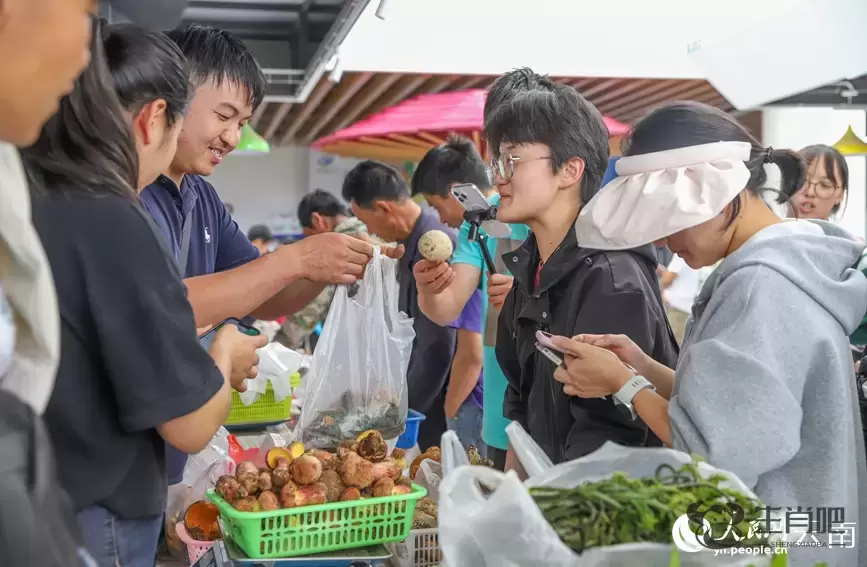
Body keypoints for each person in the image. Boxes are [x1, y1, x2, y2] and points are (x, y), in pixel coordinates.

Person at [556, 101, 867, 566]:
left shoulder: (761, 287)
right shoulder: (793, 263)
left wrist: (625, 384)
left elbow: (714, 452)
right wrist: (643, 367)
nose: (663, 240)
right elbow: (748, 406)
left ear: (719, 194)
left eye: (671, 218)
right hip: (815, 525)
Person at [21, 22, 266, 567]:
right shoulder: (114, 222)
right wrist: (225, 353)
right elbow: (189, 423)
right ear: (154, 118)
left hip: (47, 491)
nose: (227, 135)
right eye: (217, 117)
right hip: (101, 509)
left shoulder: (40, 200)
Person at [139, 24, 401, 484]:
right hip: (127, 446)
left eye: (242, 123)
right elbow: (160, 303)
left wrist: (330, 264)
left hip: (172, 439)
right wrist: (296, 259)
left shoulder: (201, 197)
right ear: (169, 98)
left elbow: (263, 294)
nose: (232, 138)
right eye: (224, 115)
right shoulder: (133, 193)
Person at [485, 71, 678, 470]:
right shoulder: (530, 267)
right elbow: (520, 404)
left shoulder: (610, 277)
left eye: (513, 160)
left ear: (570, 170)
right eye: (497, 161)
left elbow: (608, 442)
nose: (500, 177)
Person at [412, 71, 535, 469]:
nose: (503, 163)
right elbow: (446, 307)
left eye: (519, 146)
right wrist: (429, 289)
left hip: (561, 418)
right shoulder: (481, 218)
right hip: (499, 416)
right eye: (498, 144)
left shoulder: (585, 220)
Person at [343, 160, 477, 450]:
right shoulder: (409, 244)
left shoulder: (435, 246)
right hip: (427, 395)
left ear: (384, 208)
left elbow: (438, 345)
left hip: (445, 401)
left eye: (367, 222)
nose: (370, 230)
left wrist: (404, 413)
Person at [411, 138, 487, 453]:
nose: (440, 219)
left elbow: (471, 354)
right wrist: (426, 289)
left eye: (436, 205)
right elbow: (445, 309)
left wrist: (450, 409)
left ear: (457, 191)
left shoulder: (490, 229)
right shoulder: (473, 233)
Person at [283, 189, 369, 347]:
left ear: (317, 220)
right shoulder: (373, 229)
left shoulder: (336, 246)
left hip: (357, 345)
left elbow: (310, 309)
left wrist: (276, 347)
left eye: (309, 236)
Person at [779, 144, 848, 221]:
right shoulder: (767, 232)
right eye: (802, 180)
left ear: (840, 195)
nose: (810, 192)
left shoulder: (840, 233)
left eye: (825, 185)